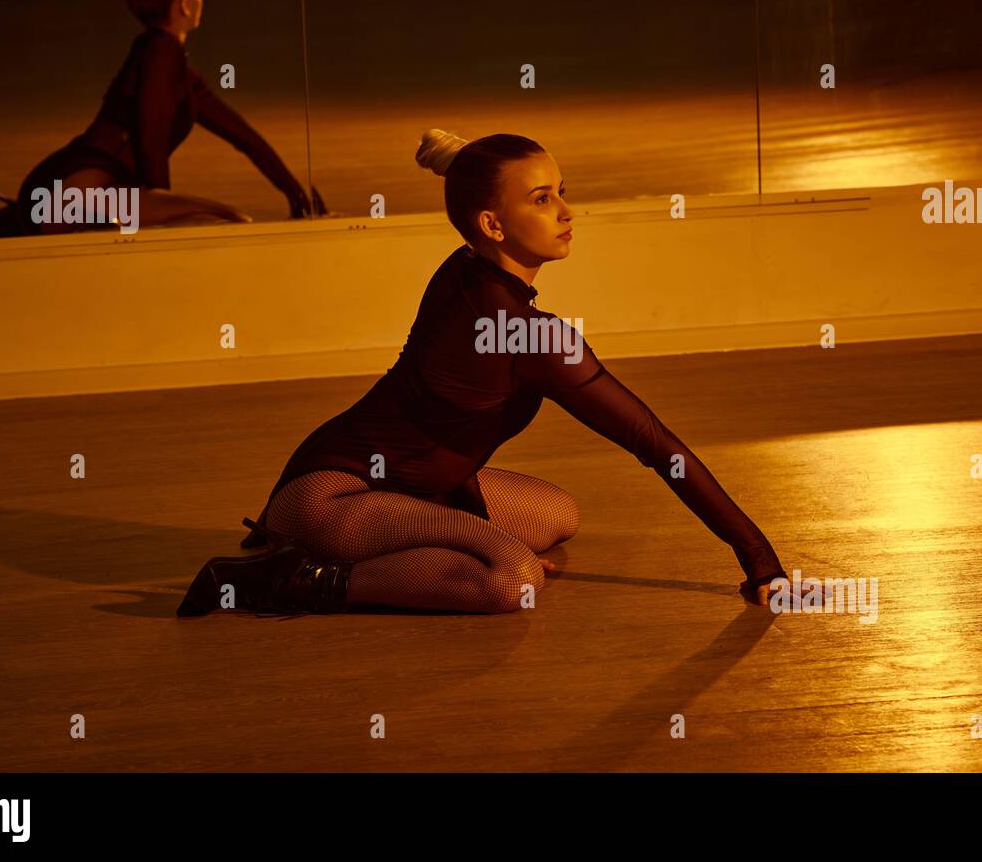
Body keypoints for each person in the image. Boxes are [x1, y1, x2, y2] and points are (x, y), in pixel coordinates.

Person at [177, 129, 802, 618]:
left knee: (558, 516)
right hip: (336, 498)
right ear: (492, 224)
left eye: (561, 190)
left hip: (423, 488)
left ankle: (428, 547)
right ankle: (294, 580)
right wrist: (760, 561)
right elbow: (655, 445)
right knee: (514, 580)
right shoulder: (529, 337)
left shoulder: (465, 266)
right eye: (542, 199)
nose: (566, 211)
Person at [0, 0, 325, 240]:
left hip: (79, 196)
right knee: (228, 222)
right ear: (183, 3)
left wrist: (295, 193)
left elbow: (241, 135)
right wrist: (158, 208)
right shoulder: (161, 54)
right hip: (71, 196)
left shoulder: (173, 67)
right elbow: (151, 135)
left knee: (223, 222)